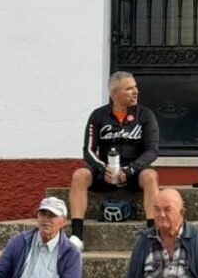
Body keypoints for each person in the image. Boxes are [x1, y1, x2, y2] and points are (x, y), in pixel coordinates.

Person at [69, 71, 161, 251]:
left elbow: (152, 150)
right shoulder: (98, 115)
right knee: (79, 175)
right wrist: (102, 168)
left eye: (135, 87)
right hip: (105, 171)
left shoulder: (145, 115)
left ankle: (153, 233)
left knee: (151, 176)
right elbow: (88, 150)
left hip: (134, 172)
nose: (136, 92)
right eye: (129, 89)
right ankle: (77, 235)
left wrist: (131, 169)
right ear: (115, 93)